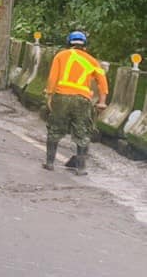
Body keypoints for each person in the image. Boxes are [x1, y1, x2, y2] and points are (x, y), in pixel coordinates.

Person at [42, 31, 108, 175]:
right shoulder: (92, 61)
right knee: (82, 132)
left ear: (68, 43)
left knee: (54, 129)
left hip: (61, 97)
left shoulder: (60, 55)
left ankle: (49, 163)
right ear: (84, 45)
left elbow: (52, 78)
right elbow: (102, 81)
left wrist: (49, 96)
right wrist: (102, 102)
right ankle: (81, 168)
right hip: (82, 99)